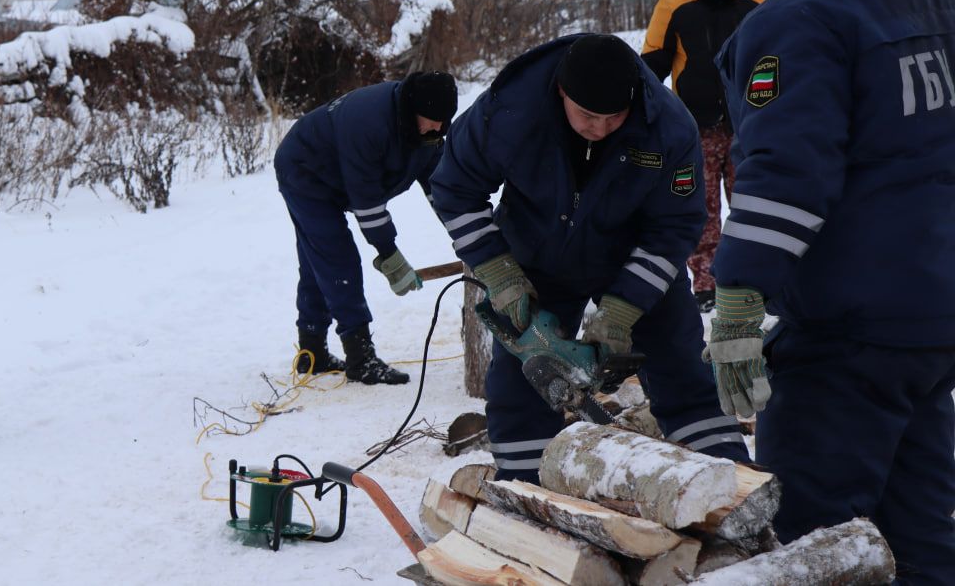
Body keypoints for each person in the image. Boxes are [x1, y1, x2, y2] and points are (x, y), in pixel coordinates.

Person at [706, 0, 955, 584]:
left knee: (810, 540)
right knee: (919, 530)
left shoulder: (806, 13)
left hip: (847, 326)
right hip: (932, 317)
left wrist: (741, 301)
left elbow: (785, 172)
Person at [430, 34, 748, 482]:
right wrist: (499, 272)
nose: (599, 128)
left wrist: (623, 310)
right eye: (587, 115)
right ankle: (526, 491)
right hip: (537, 256)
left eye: (613, 116)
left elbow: (676, 225)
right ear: (562, 90)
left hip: (633, 255)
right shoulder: (509, 110)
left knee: (681, 368)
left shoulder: (669, 127)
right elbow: (453, 189)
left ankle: (732, 483)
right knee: (522, 385)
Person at [275, 71, 458, 385]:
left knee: (317, 260)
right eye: (430, 121)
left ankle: (312, 351)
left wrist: (468, 236)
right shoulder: (369, 123)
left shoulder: (429, 131)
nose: (436, 129)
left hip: (338, 176)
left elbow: (441, 189)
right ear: (411, 109)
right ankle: (360, 356)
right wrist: (390, 254)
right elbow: (367, 202)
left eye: (443, 123)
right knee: (336, 257)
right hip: (305, 169)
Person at [642, 0, 764, 310]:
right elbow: (650, 70)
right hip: (697, 130)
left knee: (753, 204)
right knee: (702, 210)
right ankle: (706, 283)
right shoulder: (674, 8)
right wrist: (652, 119)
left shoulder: (755, 5)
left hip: (748, 127)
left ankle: (755, 279)